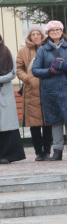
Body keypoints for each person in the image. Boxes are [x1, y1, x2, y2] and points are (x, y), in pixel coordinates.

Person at [32, 20, 67, 161]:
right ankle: (57, 151)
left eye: (58, 29)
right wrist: (50, 70)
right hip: (50, 90)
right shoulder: (43, 49)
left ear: (62, 31)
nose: (55, 32)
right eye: (52, 30)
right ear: (48, 33)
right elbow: (35, 70)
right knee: (55, 120)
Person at [16, 25, 52, 160]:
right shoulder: (23, 51)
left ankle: (47, 151)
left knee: (48, 123)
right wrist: (27, 78)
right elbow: (19, 68)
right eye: (33, 34)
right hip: (31, 90)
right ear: (29, 36)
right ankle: (38, 152)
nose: (36, 36)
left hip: (46, 88)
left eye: (38, 34)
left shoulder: (48, 49)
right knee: (35, 124)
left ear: (42, 35)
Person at [0, 33, 27, 164]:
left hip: (4, 92)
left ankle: (8, 155)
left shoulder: (6, 53)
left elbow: (12, 73)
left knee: (7, 126)